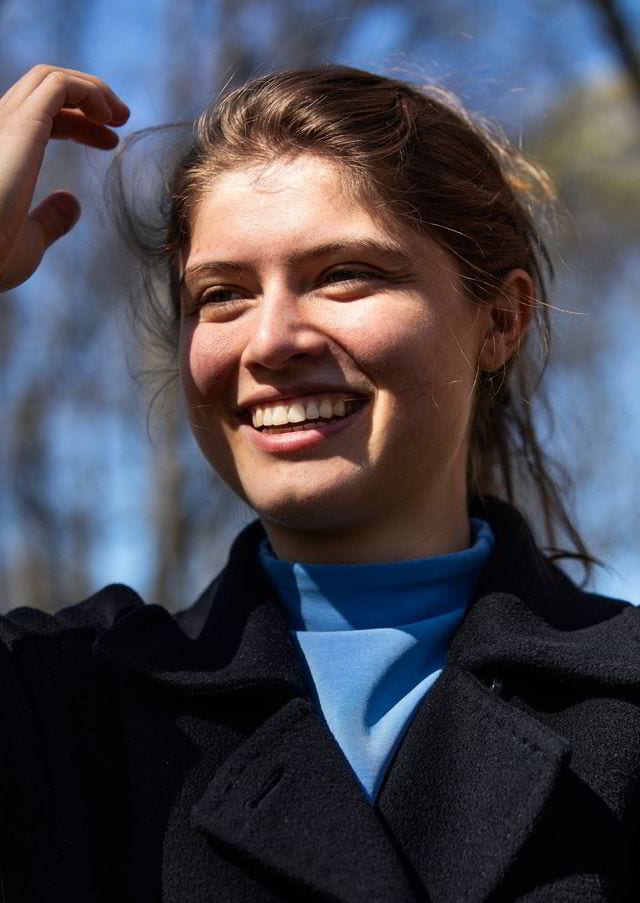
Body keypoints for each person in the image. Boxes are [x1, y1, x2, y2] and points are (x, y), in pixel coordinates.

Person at [0, 63, 638, 903]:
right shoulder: (61, 702)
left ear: (502, 320)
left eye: (345, 274)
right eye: (221, 294)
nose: (269, 341)